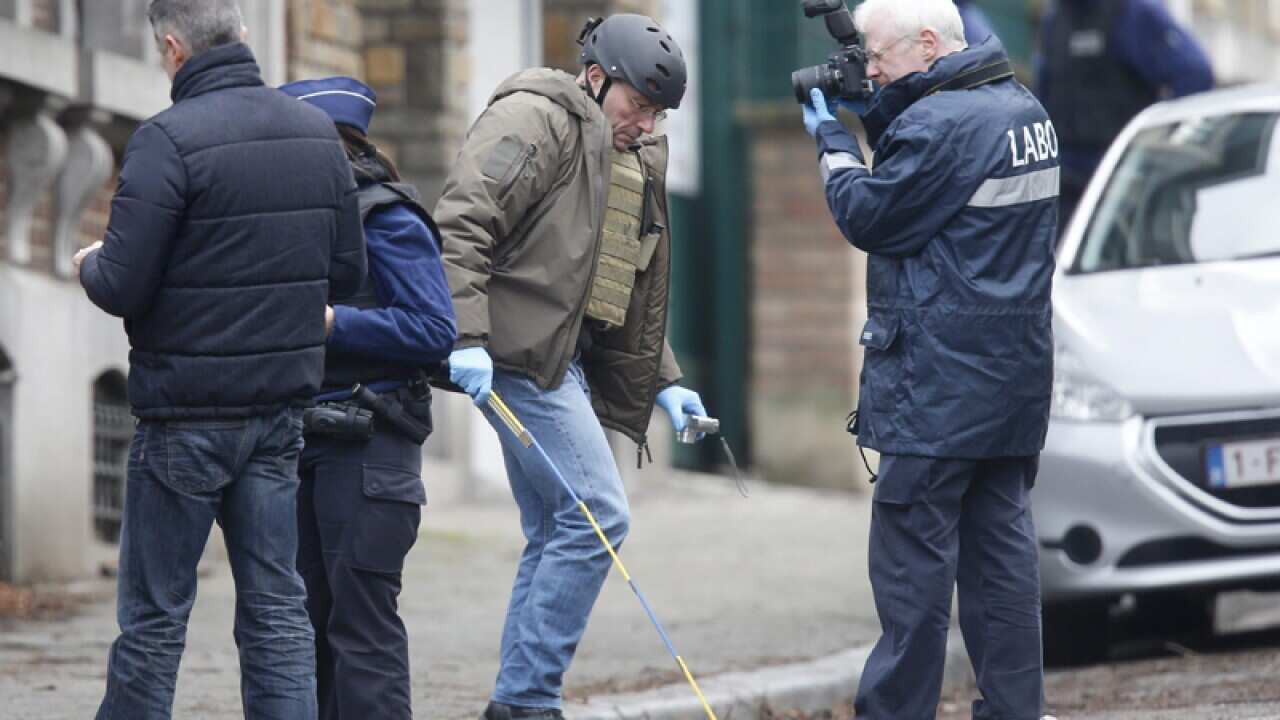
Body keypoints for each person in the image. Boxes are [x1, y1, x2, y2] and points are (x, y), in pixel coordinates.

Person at [75, 1, 365, 717]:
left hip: (185, 415)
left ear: (174, 48)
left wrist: (88, 263)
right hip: (279, 415)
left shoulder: (166, 140)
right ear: (239, 33)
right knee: (277, 611)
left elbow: (120, 284)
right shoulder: (316, 134)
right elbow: (348, 274)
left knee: (154, 618)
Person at [434, 14, 706, 720]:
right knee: (597, 517)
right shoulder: (533, 120)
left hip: (566, 359)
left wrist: (668, 381)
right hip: (519, 358)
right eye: (638, 104)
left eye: (658, 113)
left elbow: (621, 282)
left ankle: (517, 699)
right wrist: (466, 336)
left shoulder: (629, 156)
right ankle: (529, 700)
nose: (646, 124)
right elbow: (462, 221)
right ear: (595, 78)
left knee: (558, 529)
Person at [801, 0, 1058, 718]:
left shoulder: (939, 126)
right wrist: (882, 115)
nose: (871, 70)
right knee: (1002, 566)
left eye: (877, 55)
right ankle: (1017, 709)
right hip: (1011, 387)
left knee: (912, 576)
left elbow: (872, 214)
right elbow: (942, 190)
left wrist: (834, 142)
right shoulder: (1023, 109)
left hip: (936, 391)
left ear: (926, 44)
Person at [280, 76, 457, 720]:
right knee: (296, 627)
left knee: (360, 628)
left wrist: (336, 323)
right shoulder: (287, 218)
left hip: (369, 446)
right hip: (294, 442)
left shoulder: (385, 216)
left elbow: (434, 329)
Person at [1036, 0, 1213, 235]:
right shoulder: (1055, 18)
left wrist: (1157, 142)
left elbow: (1195, 74)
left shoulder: (1133, 11)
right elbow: (1042, 99)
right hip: (1067, 188)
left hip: (1125, 187)